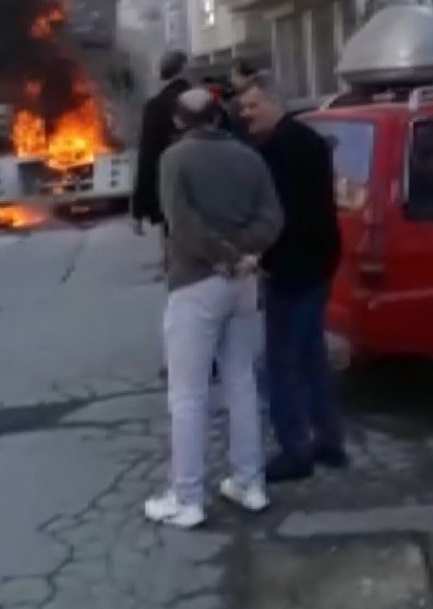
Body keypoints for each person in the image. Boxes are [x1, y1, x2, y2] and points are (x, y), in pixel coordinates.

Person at [144, 87, 284, 529]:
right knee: (241, 384)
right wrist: (244, 253)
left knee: (187, 394)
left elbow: (182, 227)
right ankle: (250, 483)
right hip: (244, 283)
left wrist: (224, 254)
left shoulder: (175, 159)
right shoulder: (249, 157)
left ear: (179, 122)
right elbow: (273, 218)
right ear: (221, 117)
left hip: (196, 283)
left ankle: (187, 498)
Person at [240, 72, 347, 483]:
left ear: (273, 103)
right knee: (312, 356)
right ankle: (329, 441)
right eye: (243, 107)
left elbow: (278, 215)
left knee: (280, 364)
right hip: (320, 261)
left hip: (292, 267)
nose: (246, 114)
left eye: (253, 106)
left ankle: (295, 451)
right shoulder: (310, 140)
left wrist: (257, 255)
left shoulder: (277, 149)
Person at [131, 50, 190, 261]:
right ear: (184, 69)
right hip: (207, 188)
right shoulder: (204, 100)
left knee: (174, 250)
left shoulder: (156, 106)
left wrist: (138, 209)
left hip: (170, 186)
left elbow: (147, 157)